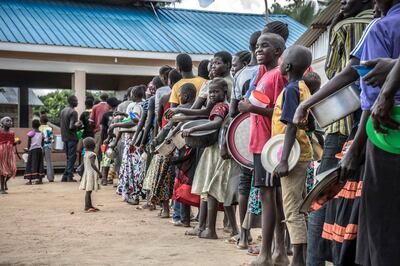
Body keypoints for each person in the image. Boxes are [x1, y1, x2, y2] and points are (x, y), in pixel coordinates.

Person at [238, 33, 287, 266]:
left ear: (278, 51)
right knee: (273, 197)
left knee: (270, 196)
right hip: (260, 141)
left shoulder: (278, 75)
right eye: (257, 46)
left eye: (264, 46)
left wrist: (252, 109)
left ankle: (266, 254)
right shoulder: (263, 73)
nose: (258, 50)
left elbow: (283, 112)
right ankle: (278, 251)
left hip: (271, 142)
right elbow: (251, 100)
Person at [178, 77, 239, 240]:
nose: (212, 95)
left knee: (211, 189)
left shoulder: (221, 107)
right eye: (210, 92)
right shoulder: (221, 106)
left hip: (217, 151)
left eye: (216, 91)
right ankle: (223, 228)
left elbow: (216, 124)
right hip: (216, 149)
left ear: (224, 92)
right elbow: (204, 114)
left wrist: (193, 129)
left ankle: (210, 229)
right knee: (211, 191)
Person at [271, 45, 313, 266]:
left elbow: (290, 126)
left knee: (292, 208)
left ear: (287, 66)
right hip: (303, 151)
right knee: (300, 206)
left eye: (281, 60)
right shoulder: (304, 87)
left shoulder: (290, 90)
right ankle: (302, 255)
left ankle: (298, 259)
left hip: (293, 155)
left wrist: (284, 159)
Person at [99, 97, 120, 186]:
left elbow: (102, 128)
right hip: (119, 138)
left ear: (109, 105)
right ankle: (116, 180)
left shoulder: (106, 115)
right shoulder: (120, 113)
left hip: (109, 139)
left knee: (106, 159)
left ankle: (104, 179)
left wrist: (103, 140)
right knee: (118, 160)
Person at [60, 95, 80, 182]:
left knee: (69, 157)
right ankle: (69, 176)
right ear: (72, 101)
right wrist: (78, 124)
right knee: (72, 157)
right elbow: (71, 126)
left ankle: (65, 176)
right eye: (76, 101)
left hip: (64, 137)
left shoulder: (63, 111)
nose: (77, 102)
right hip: (72, 137)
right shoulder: (73, 112)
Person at [79, 137, 102, 213]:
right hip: (91, 174)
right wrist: (99, 172)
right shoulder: (92, 154)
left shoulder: (85, 154)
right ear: (94, 146)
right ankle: (87, 207)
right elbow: (92, 164)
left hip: (87, 173)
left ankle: (90, 205)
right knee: (88, 191)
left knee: (89, 191)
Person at [0, 117, 20, 194]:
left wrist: (17, 142)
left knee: (13, 169)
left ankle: (5, 182)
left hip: (10, 153)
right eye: (7, 121)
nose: (10, 122)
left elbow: (12, 143)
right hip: (1, 152)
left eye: (11, 121)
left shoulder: (12, 133)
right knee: (2, 170)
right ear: (2, 123)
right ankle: (2, 189)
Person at [24, 119, 45, 185]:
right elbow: (42, 143)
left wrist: (28, 149)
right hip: (39, 150)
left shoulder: (31, 133)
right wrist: (40, 147)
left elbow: (29, 143)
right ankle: (40, 180)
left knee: (31, 164)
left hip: (32, 150)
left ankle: (30, 181)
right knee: (40, 164)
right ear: (39, 125)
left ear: (32, 125)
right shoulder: (41, 133)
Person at [89, 93, 110, 158]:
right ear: (107, 98)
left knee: (97, 149)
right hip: (108, 131)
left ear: (100, 98)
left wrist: (94, 129)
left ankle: (96, 165)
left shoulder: (95, 107)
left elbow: (91, 121)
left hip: (98, 131)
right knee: (106, 149)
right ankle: (104, 166)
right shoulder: (109, 106)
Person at [39, 115, 54, 182]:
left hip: (40, 146)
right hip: (48, 146)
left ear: (40, 121)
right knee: (49, 162)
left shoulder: (39, 128)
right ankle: (50, 178)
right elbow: (51, 139)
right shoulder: (50, 128)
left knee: (39, 162)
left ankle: (39, 177)